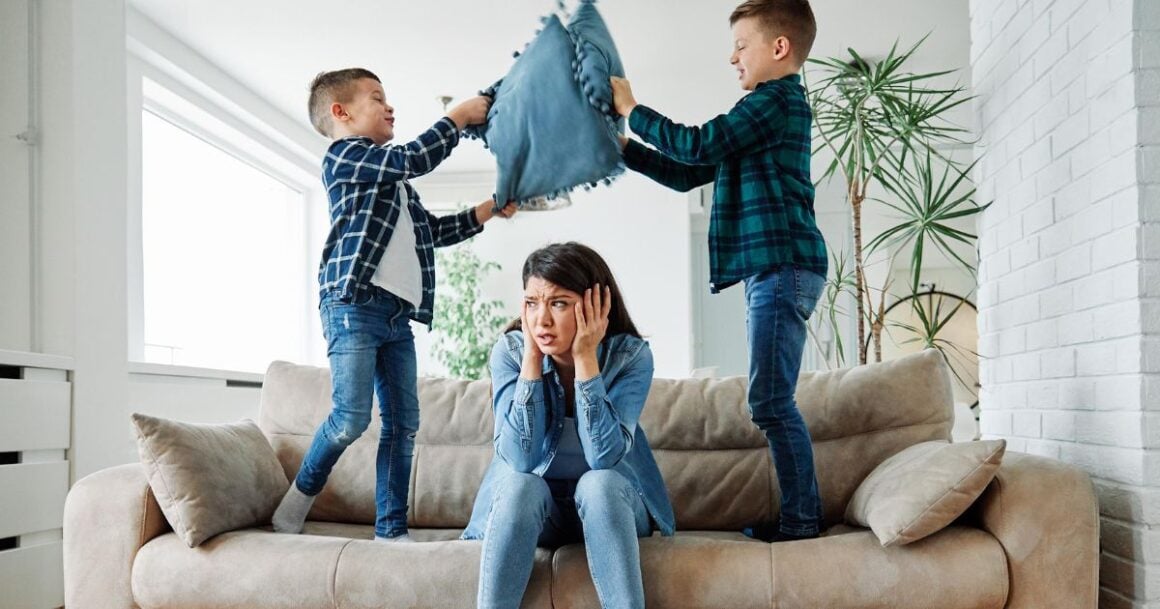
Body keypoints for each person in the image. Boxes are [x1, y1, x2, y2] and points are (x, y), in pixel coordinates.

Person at [609, 0, 827, 542]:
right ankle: (799, 516)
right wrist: (624, 150)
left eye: (740, 45)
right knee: (770, 401)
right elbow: (691, 173)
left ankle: (802, 523)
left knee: (771, 402)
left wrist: (634, 109)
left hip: (782, 265)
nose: (732, 57)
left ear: (780, 49)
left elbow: (701, 142)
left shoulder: (775, 101)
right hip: (774, 268)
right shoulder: (762, 115)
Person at [271, 67, 517, 542]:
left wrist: (490, 207)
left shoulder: (396, 186)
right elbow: (413, 157)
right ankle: (295, 503)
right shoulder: (344, 158)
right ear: (340, 113)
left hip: (396, 316)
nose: (389, 106)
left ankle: (391, 531)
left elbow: (436, 232)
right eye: (376, 98)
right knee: (350, 419)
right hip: (353, 304)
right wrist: (458, 118)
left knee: (403, 424)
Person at [461, 242, 674, 609]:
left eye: (558, 303)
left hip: (611, 509)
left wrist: (585, 360)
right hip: (536, 511)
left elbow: (604, 457)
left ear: (597, 304)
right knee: (520, 485)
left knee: (600, 483)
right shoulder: (510, 352)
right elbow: (520, 460)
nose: (541, 319)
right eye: (531, 303)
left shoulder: (630, 357)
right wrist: (531, 358)